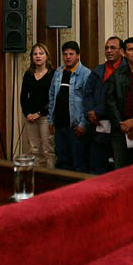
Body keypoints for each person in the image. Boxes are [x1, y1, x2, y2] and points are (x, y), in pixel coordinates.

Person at [46, 41, 90, 172]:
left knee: (78, 163)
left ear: (78, 56)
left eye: (71, 54)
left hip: (76, 127)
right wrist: (51, 120)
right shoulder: (58, 72)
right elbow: (52, 96)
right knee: (62, 161)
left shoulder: (85, 73)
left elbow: (88, 101)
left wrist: (83, 124)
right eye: (65, 54)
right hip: (59, 125)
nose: (68, 57)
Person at [82, 36, 122, 174]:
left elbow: (117, 98)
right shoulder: (98, 70)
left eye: (113, 48)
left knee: (118, 168)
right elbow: (87, 93)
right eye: (106, 48)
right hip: (96, 126)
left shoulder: (125, 70)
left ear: (121, 51)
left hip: (116, 125)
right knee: (96, 166)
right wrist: (90, 112)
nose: (109, 51)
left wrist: (98, 112)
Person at [107, 36, 133, 167]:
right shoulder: (117, 73)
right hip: (119, 130)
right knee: (120, 170)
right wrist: (122, 123)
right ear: (124, 53)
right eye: (130, 49)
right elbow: (110, 99)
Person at [19, 43, 54, 167]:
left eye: (41, 53)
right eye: (35, 54)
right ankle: (36, 178)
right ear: (32, 57)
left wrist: (39, 113)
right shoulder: (28, 74)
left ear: (46, 56)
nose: (38, 56)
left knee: (47, 149)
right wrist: (27, 113)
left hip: (45, 117)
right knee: (34, 149)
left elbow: (52, 98)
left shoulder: (52, 74)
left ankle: (51, 178)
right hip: (30, 118)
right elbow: (23, 97)